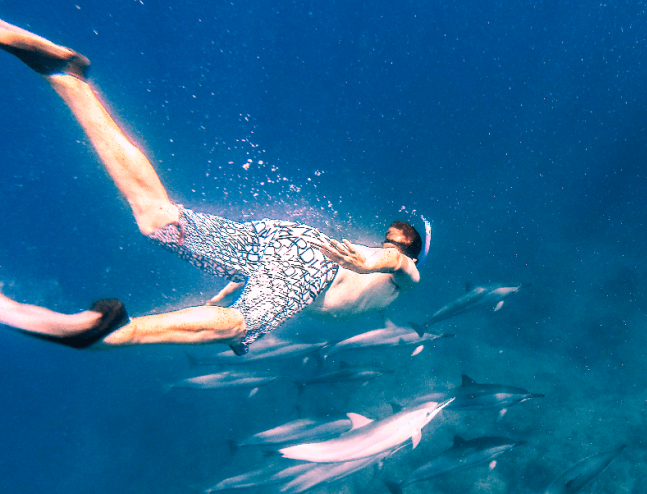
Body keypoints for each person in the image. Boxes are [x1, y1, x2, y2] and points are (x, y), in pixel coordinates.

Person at [0, 19, 421, 355]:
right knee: (239, 325)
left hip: (284, 245)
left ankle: (68, 78)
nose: (393, 249)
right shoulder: (399, 277)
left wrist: (241, 279)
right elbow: (398, 264)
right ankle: (110, 334)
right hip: (312, 261)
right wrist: (375, 262)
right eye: (393, 242)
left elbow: (369, 261)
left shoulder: (376, 268)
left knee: (158, 218)